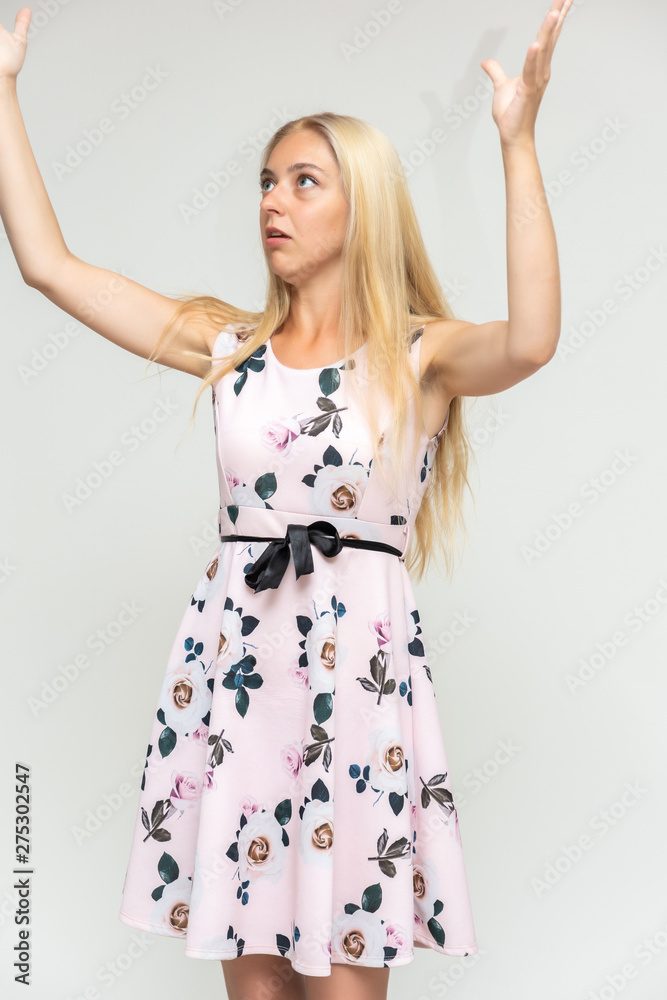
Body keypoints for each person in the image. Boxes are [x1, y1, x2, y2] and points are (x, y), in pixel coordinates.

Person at [0, 2, 572, 998]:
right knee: (255, 985)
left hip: (355, 689)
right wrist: (0, 93)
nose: (274, 198)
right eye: (267, 180)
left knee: (343, 985)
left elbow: (529, 340)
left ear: (362, 207)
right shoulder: (229, 344)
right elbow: (48, 266)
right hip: (238, 680)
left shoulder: (420, 354)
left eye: (304, 181)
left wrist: (518, 143)